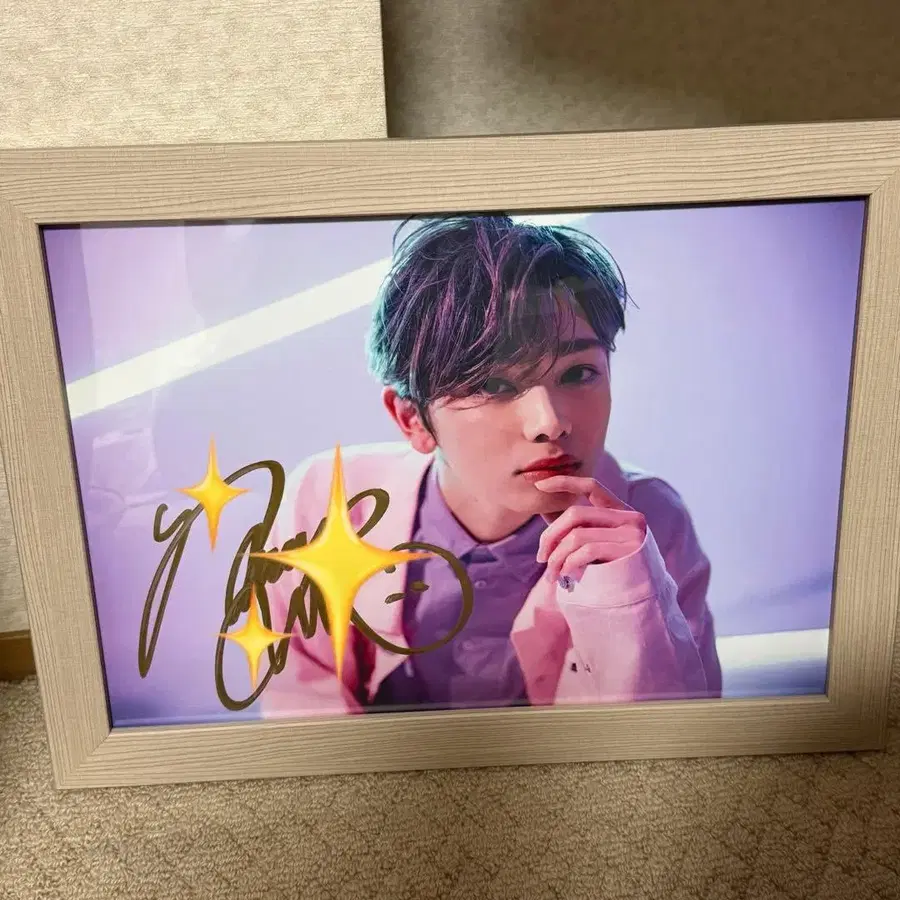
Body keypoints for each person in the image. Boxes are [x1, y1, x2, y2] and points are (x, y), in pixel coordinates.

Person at [259, 215, 723, 717]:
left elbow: (663, 745)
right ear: (412, 418)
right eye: (494, 386)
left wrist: (625, 598)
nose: (550, 422)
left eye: (579, 373)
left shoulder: (649, 523)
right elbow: (303, 709)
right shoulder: (329, 500)